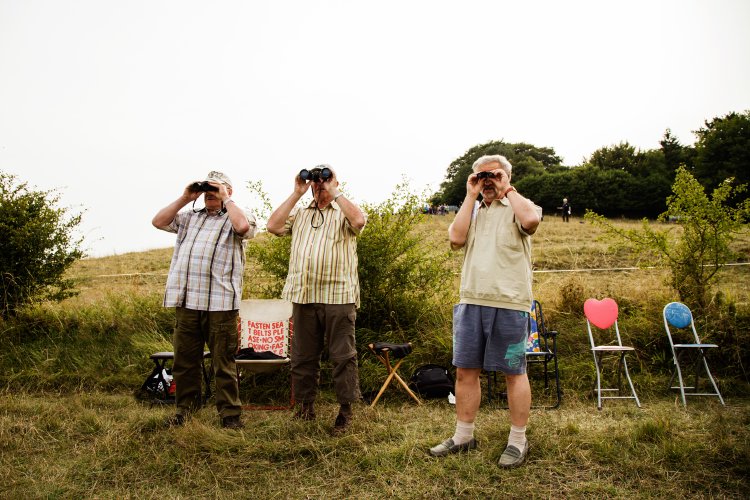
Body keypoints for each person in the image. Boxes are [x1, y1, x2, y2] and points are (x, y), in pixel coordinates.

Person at [429, 154, 541, 468]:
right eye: (481, 176)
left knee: (514, 373)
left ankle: (518, 441)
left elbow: (531, 222)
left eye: (493, 175)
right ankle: (464, 436)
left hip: (510, 303)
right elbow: (455, 238)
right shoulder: (473, 208)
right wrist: (469, 194)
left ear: (506, 176)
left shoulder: (521, 204)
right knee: (465, 371)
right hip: (471, 301)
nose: (487, 181)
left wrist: (508, 189)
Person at [266, 165, 366, 436]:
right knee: (302, 357)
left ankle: (346, 411)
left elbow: (359, 222)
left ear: (334, 182)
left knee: (343, 356)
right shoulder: (300, 213)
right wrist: (297, 192)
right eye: (316, 180)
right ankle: (304, 408)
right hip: (303, 294)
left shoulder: (342, 211)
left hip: (338, 295)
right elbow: (273, 226)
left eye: (326, 178)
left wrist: (335, 193)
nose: (319, 183)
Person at [152, 171, 257, 429]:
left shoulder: (238, 215)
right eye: (207, 188)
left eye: (216, 188)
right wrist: (186, 197)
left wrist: (226, 199)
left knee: (223, 362)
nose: (210, 192)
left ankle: (230, 416)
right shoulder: (190, 217)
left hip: (220, 304)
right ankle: (184, 411)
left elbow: (243, 228)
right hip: (187, 302)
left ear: (228, 192)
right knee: (184, 361)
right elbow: (158, 221)